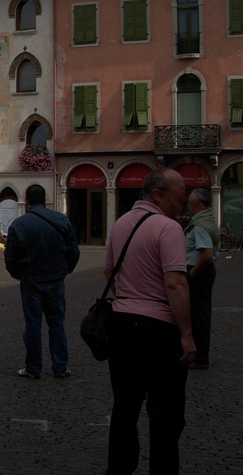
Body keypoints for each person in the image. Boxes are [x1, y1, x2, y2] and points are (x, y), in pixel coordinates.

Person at [103, 168, 195, 474]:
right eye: (180, 190)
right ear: (158, 193)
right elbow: (176, 284)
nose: (185, 196)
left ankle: (119, 469)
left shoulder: (119, 225)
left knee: (125, 408)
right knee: (165, 413)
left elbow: (108, 273)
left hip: (122, 325)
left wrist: (131, 297)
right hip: (159, 329)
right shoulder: (168, 228)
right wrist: (186, 333)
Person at [4, 184, 80, 380]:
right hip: (55, 278)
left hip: (31, 280)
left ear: (27, 201)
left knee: (33, 325)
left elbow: (10, 258)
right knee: (57, 324)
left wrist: (20, 275)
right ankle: (61, 367)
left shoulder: (19, 224)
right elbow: (74, 251)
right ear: (44, 199)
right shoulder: (61, 220)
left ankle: (33, 368)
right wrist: (65, 270)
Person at [184, 188, 218, 370]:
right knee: (200, 312)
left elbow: (207, 254)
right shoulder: (208, 219)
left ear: (197, 204)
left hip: (199, 271)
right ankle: (199, 354)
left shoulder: (199, 225)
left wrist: (192, 273)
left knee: (199, 315)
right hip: (204, 270)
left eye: (190, 202)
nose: (188, 205)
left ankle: (200, 357)